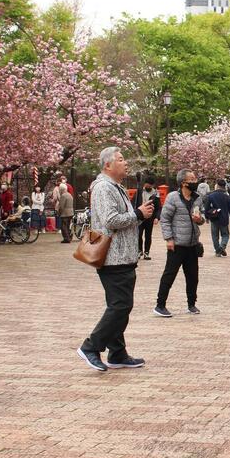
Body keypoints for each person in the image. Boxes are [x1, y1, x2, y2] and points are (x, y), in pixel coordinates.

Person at [77, 147, 153, 372]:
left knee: (119, 305)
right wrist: (138, 214)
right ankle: (91, 346)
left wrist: (140, 215)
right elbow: (111, 220)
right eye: (120, 160)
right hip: (113, 257)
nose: (125, 163)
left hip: (123, 256)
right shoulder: (103, 188)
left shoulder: (115, 187)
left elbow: (123, 220)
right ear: (107, 165)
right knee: (121, 306)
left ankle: (117, 353)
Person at [156, 169, 206, 317]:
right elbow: (165, 220)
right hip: (177, 244)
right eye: (191, 179)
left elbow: (202, 217)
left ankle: (191, 304)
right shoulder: (173, 198)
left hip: (192, 244)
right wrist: (169, 238)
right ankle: (160, 305)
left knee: (193, 277)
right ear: (183, 183)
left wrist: (200, 220)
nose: (194, 181)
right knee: (169, 275)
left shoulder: (197, 198)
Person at [131, 177, 161, 260]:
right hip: (140, 217)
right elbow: (133, 203)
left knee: (148, 235)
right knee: (139, 234)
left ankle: (146, 252)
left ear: (152, 185)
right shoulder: (139, 192)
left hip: (150, 218)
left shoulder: (155, 193)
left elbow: (159, 207)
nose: (148, 186)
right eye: (147, 184)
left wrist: (157, 218)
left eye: (150, 185)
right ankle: (139, 250)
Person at [205, 179, 230, 256]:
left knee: (215, 236)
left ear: (217, 185)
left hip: (214, 218)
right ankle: (222, 247)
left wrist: (207, 217)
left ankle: (218, 250)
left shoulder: (211, 196)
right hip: (224, 218)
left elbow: (206, 207)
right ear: (224, 186)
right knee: (225, 235)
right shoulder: (226, 196)